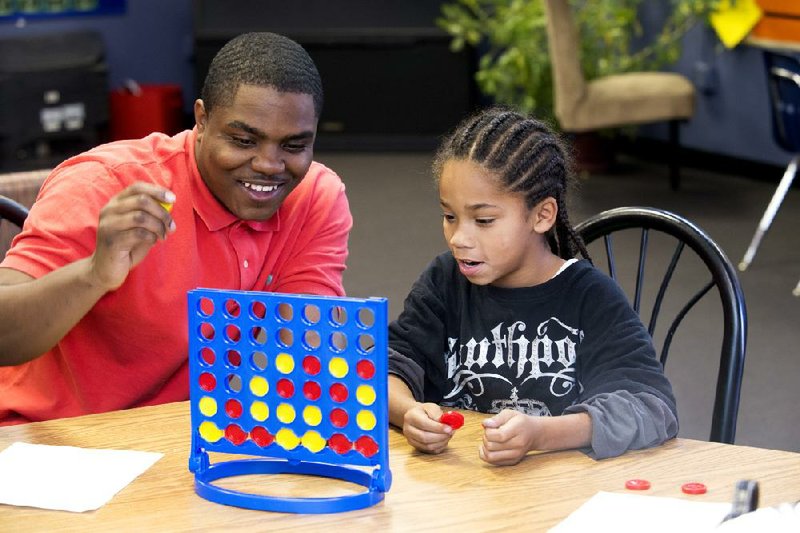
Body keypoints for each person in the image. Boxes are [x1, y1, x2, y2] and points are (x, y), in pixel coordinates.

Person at [0, 32, 352, 425]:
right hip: (51, 436)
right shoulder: (106, 183)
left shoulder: (315, 197)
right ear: (201, 119)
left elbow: (312, 354)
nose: (269, 165)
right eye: (243, 140)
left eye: (293, 146)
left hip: (189, 438)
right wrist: (93, 274)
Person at [388, 106, 677, 465]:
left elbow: (651, 409)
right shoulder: (445, 281)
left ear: (542, 215)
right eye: (450, 216)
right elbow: (384, 367)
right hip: (463, 495)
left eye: (484, 220)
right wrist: (407, 412)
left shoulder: (589, 296)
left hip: (560, 497)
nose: (459, 237)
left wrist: (543, 433)